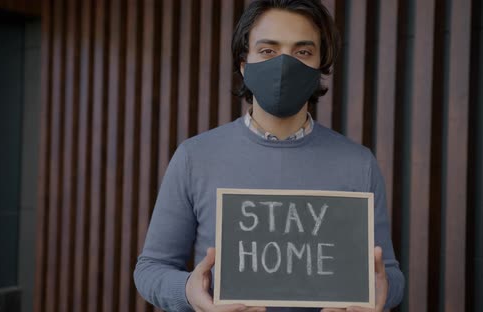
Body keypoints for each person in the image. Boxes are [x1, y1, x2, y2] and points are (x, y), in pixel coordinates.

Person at [134, 1, 404, 311]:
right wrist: (190, 293)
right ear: (243, 63)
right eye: (267, 51)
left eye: (303, 52)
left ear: (320, 65)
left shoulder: (359, 164)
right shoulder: (195, 157)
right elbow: (151, 268)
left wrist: (380, 293)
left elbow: (390, 274)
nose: (284, 65)